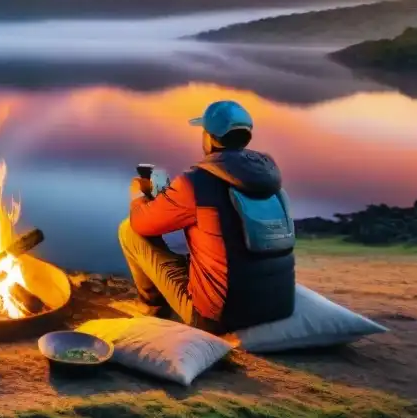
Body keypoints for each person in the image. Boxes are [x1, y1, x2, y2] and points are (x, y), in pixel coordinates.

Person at [118, 100, 295, 333]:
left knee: (128, 230)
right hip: (278, 307)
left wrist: (139, 196)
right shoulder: (269, 180)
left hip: (218, 318)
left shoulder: (197, 182)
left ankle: (154, 309)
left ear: (210, 138)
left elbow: (142, 223)